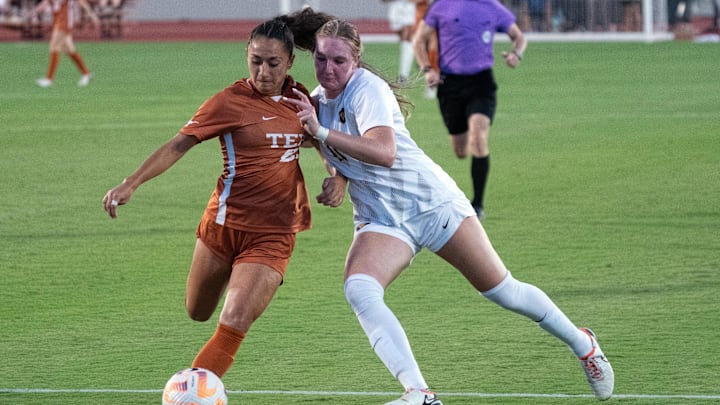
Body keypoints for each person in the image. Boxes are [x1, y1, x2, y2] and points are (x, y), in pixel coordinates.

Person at [283, 10, 614, 404]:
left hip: (431, 204)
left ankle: (584, 345)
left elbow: (384, 152)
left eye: (339, 60)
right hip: (383, 220)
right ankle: (420, 394)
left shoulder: (367, 90)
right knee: (360, 289)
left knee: (504, 291)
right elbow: (336, 147)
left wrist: (318, 131)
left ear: (355, 59)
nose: (328, 68)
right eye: (321, 58)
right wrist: (337, 176)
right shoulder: (316, 102)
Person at [102, 17, 323, 380]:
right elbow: (179, 144)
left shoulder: (302, 104)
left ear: (289, 63)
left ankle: (194, 392)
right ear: (246, 56)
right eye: (255, 60)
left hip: (273, 233)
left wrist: (337, 178)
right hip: (221, 226)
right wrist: (132, 183)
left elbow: (322, 140)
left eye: (272, 63)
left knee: (233, 319)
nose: (263, 71)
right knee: (197, 311)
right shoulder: (229, 102)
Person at [412, 0, 527, 220]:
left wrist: (517, 54)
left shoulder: (491, 6)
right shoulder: (441, 6)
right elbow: (419, 41)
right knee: (461, 151)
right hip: (451, 86)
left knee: (479, 138)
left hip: (481, 84)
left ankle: (477, 205)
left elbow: (519, 36)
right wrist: (427, 69)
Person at [31, 0, 98, 87]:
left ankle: (49, 79)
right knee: (69, 50)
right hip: (57, 19)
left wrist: (91, 14)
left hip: (65, 21)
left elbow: (81, 2)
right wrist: (35, 11)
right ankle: (86, 74)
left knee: (54, 46)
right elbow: (47, 2)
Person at [383, 0, 417, 82]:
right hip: (400, 13)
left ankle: (404, 76)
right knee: (407, 44)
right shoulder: (395, 8)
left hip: (413, 14)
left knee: (408, 43)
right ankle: (404, 75)